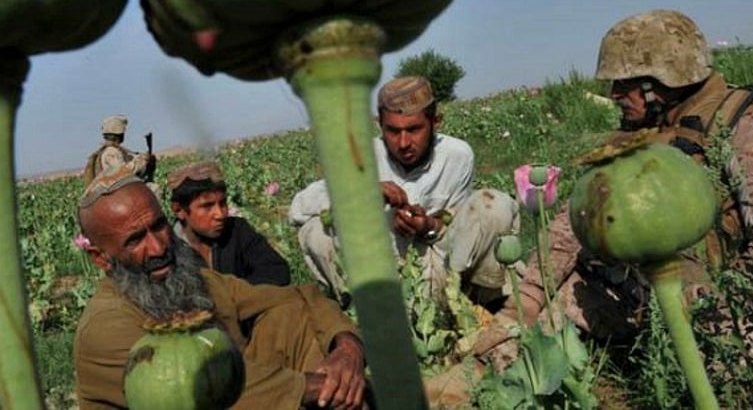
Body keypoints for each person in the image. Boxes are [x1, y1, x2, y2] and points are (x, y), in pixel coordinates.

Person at [428, 9, 753, 403]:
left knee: (718, 377)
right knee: (541, 328)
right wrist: (529, 299)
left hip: (741, 308)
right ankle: (466, 384)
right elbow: (579, 217)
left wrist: (702, 314)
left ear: (665, 81)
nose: (613, 96)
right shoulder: (647, 133)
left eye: (624, 85)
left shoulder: (752, 133)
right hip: (642, 291)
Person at [74, 164, 370, 410]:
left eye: (159, 226)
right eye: (135, 240)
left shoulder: (192, 280)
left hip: (248, 390)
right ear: (100, 257)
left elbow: (299, 295)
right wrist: (316, 386)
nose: (158, 247)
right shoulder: (106, 328)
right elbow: (195, 388)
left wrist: (347, 349)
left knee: (290, 317)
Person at [289, 75, 520, 307]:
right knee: (317, 230)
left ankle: (487, 303)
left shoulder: (457, 156)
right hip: (384, 274)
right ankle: (361, 313)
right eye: (392, 131)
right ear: (380, 125)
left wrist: (428, 226)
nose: (403, 143)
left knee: (493, 205)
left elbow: (458, 227)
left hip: (444, 268)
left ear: (436, 122)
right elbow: (299, 208)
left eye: (414, 129)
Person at [167, 160, 291, 287]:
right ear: (179, 210)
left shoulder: (237, 230)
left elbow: (277, 271)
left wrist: (231, 296)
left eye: (222, 203)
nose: (220, 214)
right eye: (207, 206)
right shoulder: (167, 249)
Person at [83, 115, 155, 186]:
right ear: (119, 134)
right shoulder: (111, 152)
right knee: (155, 189)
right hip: (117, 187)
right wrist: (141, 161)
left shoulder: (114, 150)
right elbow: (123, 171)